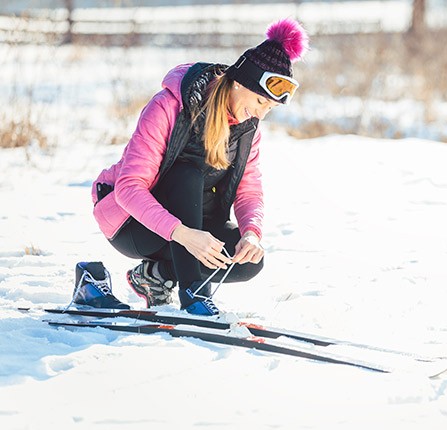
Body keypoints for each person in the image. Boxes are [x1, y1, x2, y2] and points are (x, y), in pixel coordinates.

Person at [71, 19, 309, 316]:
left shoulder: (249, 129)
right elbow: (129, 188)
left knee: (248, 260)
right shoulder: (170, 106)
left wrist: (251, 233)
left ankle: (155, 277)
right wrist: (183, 234)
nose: (261, 113)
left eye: (270, 108)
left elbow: (249, 190)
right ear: (239, 82)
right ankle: (194, 294)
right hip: (131, 222)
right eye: (260, 100)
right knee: (188, 174)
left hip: (190, 223)